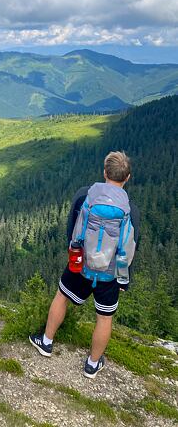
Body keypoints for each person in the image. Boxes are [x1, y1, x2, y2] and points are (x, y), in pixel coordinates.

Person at [29, 151, 140, 378]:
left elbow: (72, 229)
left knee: (62, 296)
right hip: (110, 273)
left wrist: (73, 256)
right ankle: (92, 364)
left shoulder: (84, 196)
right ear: (127, 177)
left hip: (80, 264)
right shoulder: (131, 210)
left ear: (104, 172)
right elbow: (130, 247)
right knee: (104, 318)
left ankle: (46, 342)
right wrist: (123, 279)